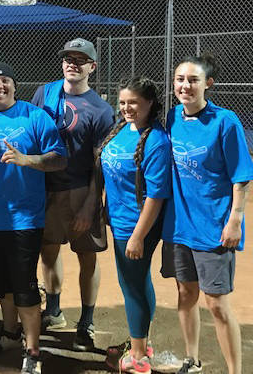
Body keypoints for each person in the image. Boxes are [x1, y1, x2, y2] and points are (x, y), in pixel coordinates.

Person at [0, 62, 67, 374]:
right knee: (1, 284)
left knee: (24, 284)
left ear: (14, 85)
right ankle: (10, 334)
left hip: (25, 218)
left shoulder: (34, 116)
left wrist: (28, 160)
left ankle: (33, 350)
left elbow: (59, 158)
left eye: (5, 81)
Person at [161, 54, 253, 374]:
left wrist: (234, 220)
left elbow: (240, 176)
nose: (185, 86)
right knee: (186, 294)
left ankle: (234, 371)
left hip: (214, 227)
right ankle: (192, 358)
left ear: (208, 84)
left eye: (193, 80)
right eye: (180, 79)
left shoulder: (225, 121)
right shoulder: (172, 117)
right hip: (179, 227)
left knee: (216, 304)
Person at [31, 38, 114, 350]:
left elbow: (99, 163)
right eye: (68, 58)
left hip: (80, 190)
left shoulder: (101, 110)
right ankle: (53, 310)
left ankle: (86, 322)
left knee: (87, 257)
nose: (72, 64)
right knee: (48, 251)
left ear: (92, 67)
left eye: (81, 60)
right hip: (47, 189)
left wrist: (90, 205)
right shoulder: (45, 92)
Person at [98, 77, 172, 374]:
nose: (127, 108)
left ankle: (139, 357)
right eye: (124, 102)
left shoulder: (156, 140)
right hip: (120, 219)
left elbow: (156, 196)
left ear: (150, 104)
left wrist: (138, 236)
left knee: (131, 286)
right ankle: (143, 343)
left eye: (134, 103)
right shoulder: (122, 130)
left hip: (136, 225)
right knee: (139, 282)